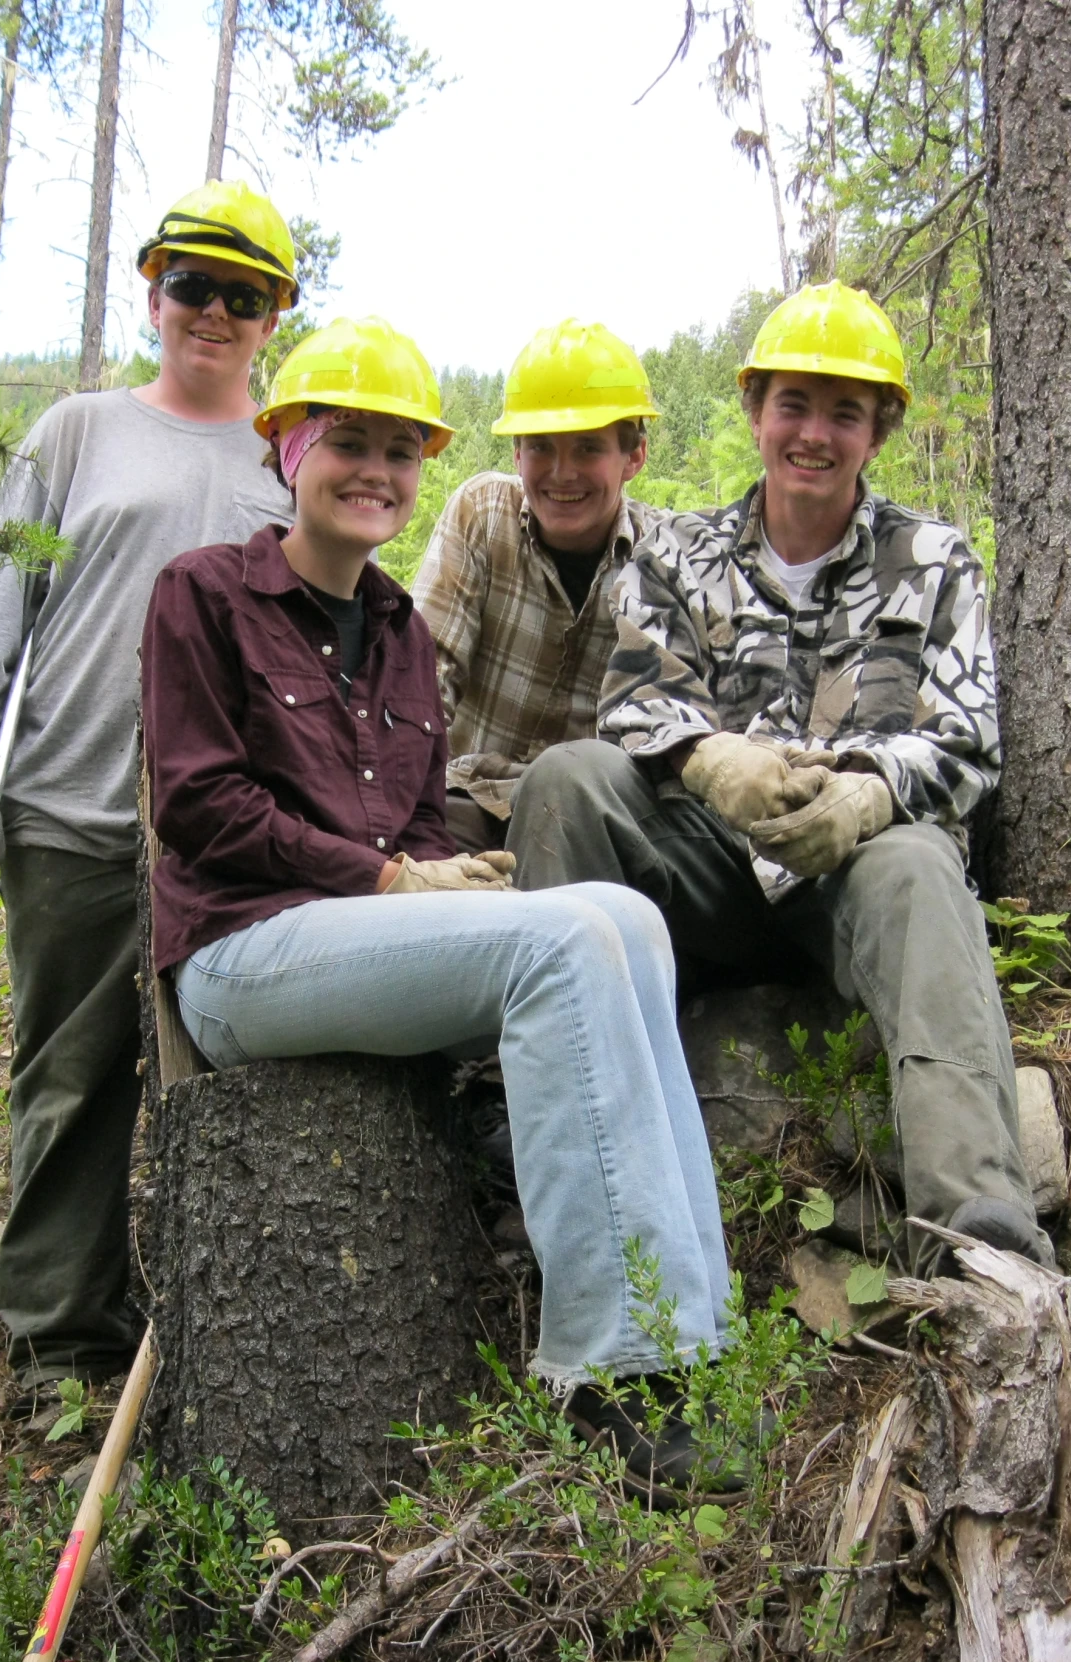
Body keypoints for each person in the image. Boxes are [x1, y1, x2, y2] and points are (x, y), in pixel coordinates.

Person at [140, 317, 740, 1493]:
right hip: (239, 954)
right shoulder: (205, 593)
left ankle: (695, 1338)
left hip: (351, 944)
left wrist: (438, 873)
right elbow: (199, 805)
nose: (373, 470)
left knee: (630, 921)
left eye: (400, 451)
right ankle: (610, 1378)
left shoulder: (405, 632)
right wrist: (386, 879)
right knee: (566, 945)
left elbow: (417, 825)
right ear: (285, 450)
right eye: (345, 441)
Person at [507, 282, 1052, 1270]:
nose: (812, 434)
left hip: (856, 877)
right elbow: (631, 705)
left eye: (843, 412)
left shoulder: (930, 560)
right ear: (754, 409)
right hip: (707, 872)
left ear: (878, 428)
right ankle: (561, 1186)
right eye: (791, 405)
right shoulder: (676, 555)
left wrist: (871, 793)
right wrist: (714, 763)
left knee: (923, 867)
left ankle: (979, 1235)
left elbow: (969, 739)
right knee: (565, 783)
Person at [0, 180, 302, 1416]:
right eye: (192, 284)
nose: (214, 312)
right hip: (69, 807)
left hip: (224, 837)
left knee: (222, 1083)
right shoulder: (76, 432)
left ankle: (215, 1327)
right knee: (73, 1078)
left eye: (244, 297)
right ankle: (61, 1344)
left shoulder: (289, 461)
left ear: (272, 318)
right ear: (152, 292)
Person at [411, 321, 663, 854]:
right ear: (516, 455)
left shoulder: (661, 557)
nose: (561, 472)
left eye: (588, 449)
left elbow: (660, 724)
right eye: (541, 448)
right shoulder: (482, 515)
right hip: (464, 795)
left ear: (634, 457)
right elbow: (425, 677)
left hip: (581, 816)